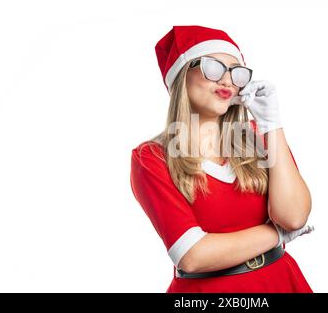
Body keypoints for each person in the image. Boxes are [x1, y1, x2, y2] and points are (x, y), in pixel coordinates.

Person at [130, 25, 315, 292]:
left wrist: (271, 124)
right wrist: (276, 234)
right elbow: (193, 255)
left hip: (280, 282)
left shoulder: (257, 136)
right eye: (213, 67)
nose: (227, 81)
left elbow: (294, 217)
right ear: (182, 76)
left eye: (235, 71)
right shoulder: (152, 157)